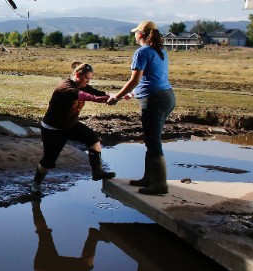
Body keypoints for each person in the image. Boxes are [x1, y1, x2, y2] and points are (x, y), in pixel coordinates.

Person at [107, 20, 176, 195]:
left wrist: (117, 96)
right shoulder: (160, 51)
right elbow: (151, 78)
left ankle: (160, 184)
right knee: (152, 139)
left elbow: (135, 80)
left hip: (154, 100)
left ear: (141, 35)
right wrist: (134, 93)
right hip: (167, 96)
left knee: (153, 141)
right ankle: (148, 178)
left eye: (136, 32)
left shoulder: (142, 52)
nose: (134, 35)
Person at [31, 62, 115, 195]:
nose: (88, 81)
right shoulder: (65, 86)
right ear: (77, 75)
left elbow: (96, 92)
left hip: (71, 125)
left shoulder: (83, 85)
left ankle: (97, 172)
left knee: (93, 139)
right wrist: (100, 99)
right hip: (53, 129)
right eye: (86, 78)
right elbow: (85, 96)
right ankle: (36, 184)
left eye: (90, 79)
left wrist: (113, 95)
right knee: (48, 161)